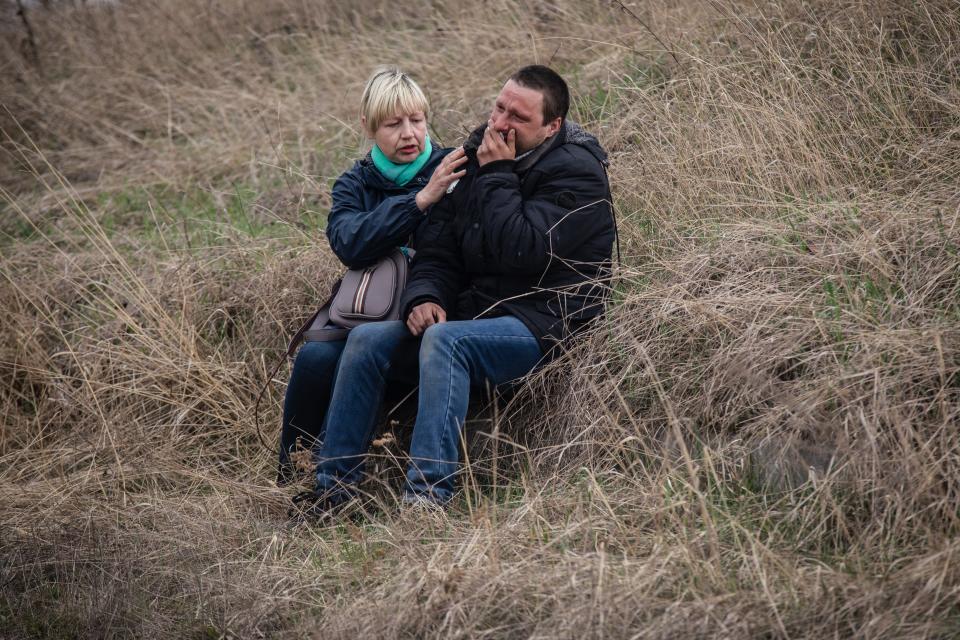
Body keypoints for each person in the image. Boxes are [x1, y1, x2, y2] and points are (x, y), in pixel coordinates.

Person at [292, 65, 614, 515]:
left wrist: (498, 173)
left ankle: (426, 498)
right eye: (499, 107)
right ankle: (332, 492)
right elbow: (439, 247)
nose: (500, 123)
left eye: (518, 117)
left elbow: (524, 250)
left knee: (447, 340)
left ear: (552, 127)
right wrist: (426, 297)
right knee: (365, 340)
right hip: (476, 316)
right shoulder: (472, 155)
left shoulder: (577, 174)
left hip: (546, 321)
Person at [277, 67, 467, 485]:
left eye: (416, 120)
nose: (409, 134)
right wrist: (417, 202)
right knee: (314, 357)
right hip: (364, 313)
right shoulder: (354, 183)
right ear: (367, 126)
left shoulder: (453, 168)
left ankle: (335, 480)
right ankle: (294, 475)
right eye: (393, 124)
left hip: (430, 312)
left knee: (356, 353)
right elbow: (349, 243)